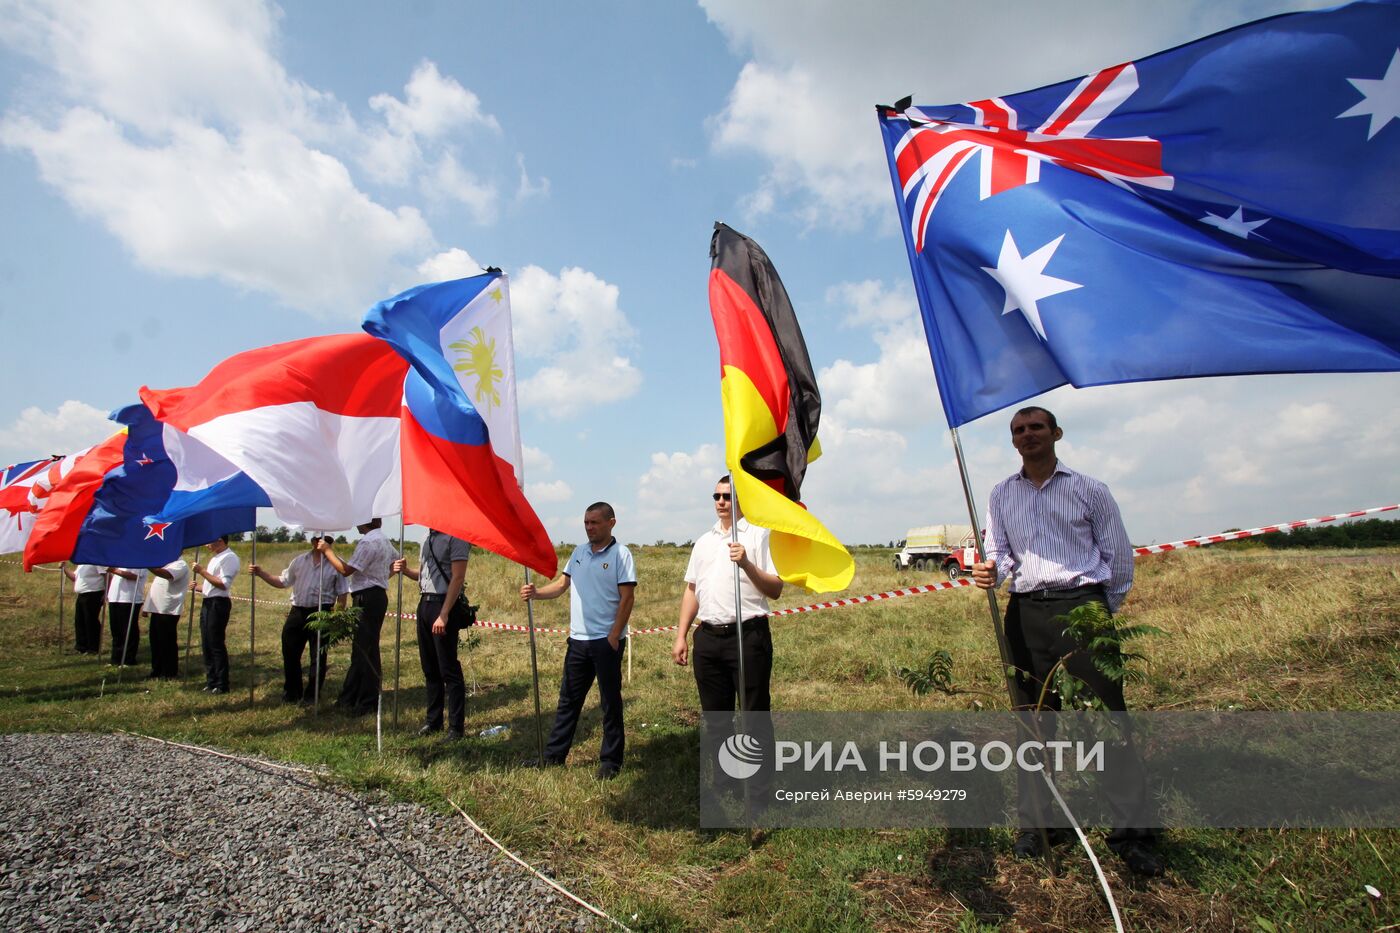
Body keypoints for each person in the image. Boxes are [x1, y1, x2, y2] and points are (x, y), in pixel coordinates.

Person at [971, 405, 1163, 877]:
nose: (1027, 434)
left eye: (1036, 426)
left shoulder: (1088, 489)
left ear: (1056, 433)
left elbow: (1118, 559)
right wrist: (990, 570)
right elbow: (999, 552)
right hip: (1025, 614)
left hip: (1081, 608)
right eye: (1018, 430)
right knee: (1033, 724)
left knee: (1105, 721)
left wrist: (1099, 612)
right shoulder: (1000, 495)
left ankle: (1133, 834)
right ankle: (1039, 827)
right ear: (1012, 440)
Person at [520, 502, 636, 779]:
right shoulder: (579, 552)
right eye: (586, 522)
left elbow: (627, 598)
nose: (589, 527)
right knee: (568, 701)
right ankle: (554, 757)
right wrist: (536, 593)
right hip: (578, 642)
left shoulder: (621, 554)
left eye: (595, 522)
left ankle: (610, 762)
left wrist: (613, 635)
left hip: (605, 643)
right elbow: (561, 586)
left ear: (611, 522)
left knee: (610, 702)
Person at [671, 475, 783, 713]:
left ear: (741, 499)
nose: (721, 502)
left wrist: (746, 564)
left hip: (747, 637)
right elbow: (692, 590)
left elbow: (775, 589)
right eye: (716, 496)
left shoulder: (760, 535)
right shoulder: (703, 542)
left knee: (754, 716)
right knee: (715, 719)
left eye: (727, 496)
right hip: (707, 639)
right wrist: (681, 635)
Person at [392, 530, 473, 739]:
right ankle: (433, 721)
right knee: (430, 667)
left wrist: (444, 614)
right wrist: (406, 570)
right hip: (425, 603)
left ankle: (456, 727)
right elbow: (425, 574)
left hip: (443, 604)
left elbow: (458, 577)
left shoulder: (456, 537)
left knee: (448, 669)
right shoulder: (427, 539)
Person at [251, 536, 347, 704]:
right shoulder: (299, 561)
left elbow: (342, 594)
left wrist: (336, 616)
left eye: (327, 541)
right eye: (319, 540)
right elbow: (283, 582)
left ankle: (312, 695)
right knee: (290, 652)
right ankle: (292, 692)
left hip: (321, 612)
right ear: (312, 542)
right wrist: (261, 573)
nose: (322, 543)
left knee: (318, 656)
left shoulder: (337, 564)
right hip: (297, 611)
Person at [319, 519, 394, 716]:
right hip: (376, 594)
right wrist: (381, 577)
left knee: (365, 649)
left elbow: (345, 571)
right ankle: (351, 697)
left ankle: (366, 701)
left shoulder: (368, 542)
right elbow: (395, 563)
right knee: (365, 648)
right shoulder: (384, 540)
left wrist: (328, 551)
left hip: (366, 597)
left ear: (365, 522)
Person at [192, 536, 240, 695]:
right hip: (208, 601)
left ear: (220, 540)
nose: (206, 544)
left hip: (218, 604)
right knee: (206, 642)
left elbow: (223, 584)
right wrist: (199, 587)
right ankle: (211, 680)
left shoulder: (230, 557)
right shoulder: (215, 558)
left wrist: (202, 571)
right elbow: (212, 584)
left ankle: (221, 683)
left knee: (215, 642)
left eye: (209, 541)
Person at [142, 556, 190, 680]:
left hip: (168, 610)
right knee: (156, 642)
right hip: (157, 609)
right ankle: (157, 669)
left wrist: (146, 562)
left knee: (166, 642)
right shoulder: (165, 563)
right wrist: (147, 607)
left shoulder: (180, 564)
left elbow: (166, 575)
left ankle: (169, 671)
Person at [105, 566, 147, 666]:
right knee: (116, 630)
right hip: (115, 598)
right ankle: (116, 658)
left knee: (128, 630)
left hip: (129, 599)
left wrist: (114, 570)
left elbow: (134, 576)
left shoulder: (138, 559)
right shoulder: (120, 560)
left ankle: (128, 659)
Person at [62, 562, 105, 654]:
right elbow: (74, 577)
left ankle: (93, 648)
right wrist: (64, 568)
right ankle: (81, 647)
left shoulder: (97, 562)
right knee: (79, 620)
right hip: (82, 594)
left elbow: (106, 576)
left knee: (90, 621)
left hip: (94, 593)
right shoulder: (82, 564)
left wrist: (106, 592)